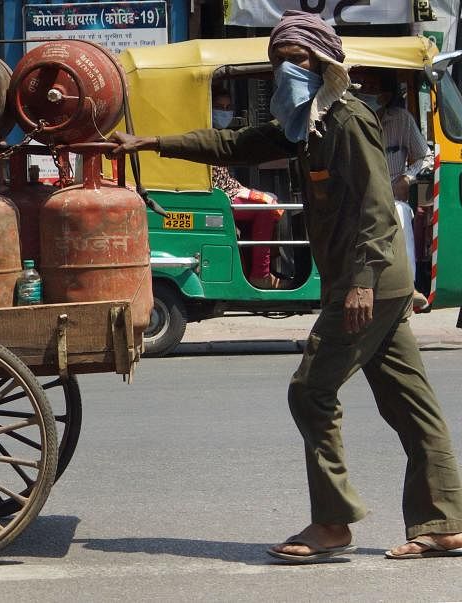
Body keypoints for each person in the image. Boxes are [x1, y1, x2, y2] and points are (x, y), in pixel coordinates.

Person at [110, 11, 462, 562]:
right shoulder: (307, 123)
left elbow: (375, 207)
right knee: (411, 403)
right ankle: (444, 522)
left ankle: (332, 523)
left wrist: (362, 284)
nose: (285, 72)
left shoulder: (346, 120)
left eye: (295, 60)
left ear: (323, 63)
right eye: (279, 63)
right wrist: (152, 141)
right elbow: (237, 144)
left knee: (311, 391)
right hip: (372, 280)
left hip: (365, 279)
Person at [355, 69, 432, 310]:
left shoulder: (402, 120)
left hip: (391, 195)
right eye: (363, 85)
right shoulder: (351, 120)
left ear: (386, 95)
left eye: (372, 87)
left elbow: (425, 157)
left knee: (399, 214)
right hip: (358, 196)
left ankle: (409, 287)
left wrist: (407, 179)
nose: (365, 91)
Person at [211, 90, 289, 290]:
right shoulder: (208, 134)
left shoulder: (220, 134)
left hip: (225, 193)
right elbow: (219, 183)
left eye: (228, 108)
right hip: (217, 198)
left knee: (270, 200)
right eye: (220, 107)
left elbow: (227, 180)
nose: (224, 112)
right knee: (266, 208)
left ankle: (261, 267)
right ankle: (260, 274)